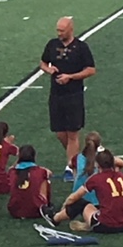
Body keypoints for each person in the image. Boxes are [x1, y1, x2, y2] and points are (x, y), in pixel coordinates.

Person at [40, 16, 96, 181]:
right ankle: (78, 159)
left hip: (74, 95)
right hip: (56, 94)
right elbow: (43, 62)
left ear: (70, 29)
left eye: (62, 31)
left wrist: (71, 77)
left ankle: (70, 168)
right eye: (57, 30)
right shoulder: (52, 45)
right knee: (59, 133)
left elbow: (91, 70)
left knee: (73, 133)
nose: (59, 33)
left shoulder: (81, 47)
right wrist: (48, 70)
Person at [40, 148, 123, 233]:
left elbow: (74, 198)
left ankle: (55, 218)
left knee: (80, 202)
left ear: (97, 164)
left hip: (105, 225)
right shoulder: (121, 176)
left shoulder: (96, 179)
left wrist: (64, 206)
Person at [70, 131, 123, 206]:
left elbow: (70, 164)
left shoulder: (77, 158)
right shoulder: (102, 158)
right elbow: (122, 163)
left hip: (78, 198)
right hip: (98, 201)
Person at [7, 145, 52, 219]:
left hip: (15, 211)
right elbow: (49, 173)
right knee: (45, 180)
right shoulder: (40, 171)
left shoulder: (12, 171)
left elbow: (11, 168)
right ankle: (46, 205)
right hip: (37, 211)